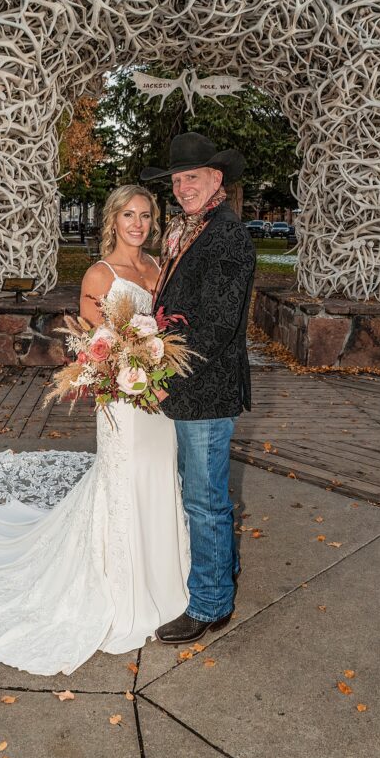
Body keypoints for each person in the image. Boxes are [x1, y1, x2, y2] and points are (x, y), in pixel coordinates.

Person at [0, 184, 190, 676]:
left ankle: (166, 578)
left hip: (161, 398)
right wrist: (130, 373)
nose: (138, 224)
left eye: (146, 215)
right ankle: (124, 590)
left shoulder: (156, 267)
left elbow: (169, 329)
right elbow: (94, 345)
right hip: (126, 402)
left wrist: (161, 368)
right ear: (113, 219)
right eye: (129, 215)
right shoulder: (100, 273)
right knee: (127, 482)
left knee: (160, 474)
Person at [141, 132, 255, 644]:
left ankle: (210, 604)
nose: (182, 187)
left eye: (192, 177)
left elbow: (216, 327)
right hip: (193, 390)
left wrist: (166, 382)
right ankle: (222, 573)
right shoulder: (192, 230)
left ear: (216, 179)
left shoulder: (226, 235)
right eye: (177, 180)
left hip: (205, 392)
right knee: (201, 493)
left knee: (204, 502)